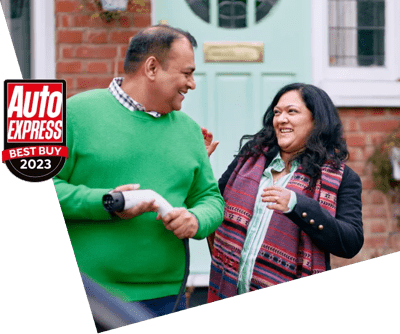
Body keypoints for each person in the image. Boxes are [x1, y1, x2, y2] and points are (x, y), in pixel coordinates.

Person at [53, 25, 224, 324]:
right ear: (152, 67)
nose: (192, 84)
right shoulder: (74, 114)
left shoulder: (188, 130)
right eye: (186, 73)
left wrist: (196, 220)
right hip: (91, 295)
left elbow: (210, 199)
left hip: (167, 300)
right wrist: (108, 201)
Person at [207, 83, 364, 302]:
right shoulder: (250, 159)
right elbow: (213, 203)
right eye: (277, 113)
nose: (281, 119)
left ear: (317, 121)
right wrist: (201, 166)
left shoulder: (342, 178)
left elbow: (351, 242)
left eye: (292, 111)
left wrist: (297, 205)